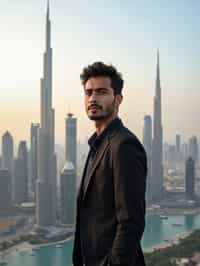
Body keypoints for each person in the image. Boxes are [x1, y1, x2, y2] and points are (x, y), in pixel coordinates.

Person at [72, 62, 147, 266]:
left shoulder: (124, 145)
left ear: (118, 99)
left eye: (102, 92)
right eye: (88, 93)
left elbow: (131, 222)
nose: (93, 98)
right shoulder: (97, 144)